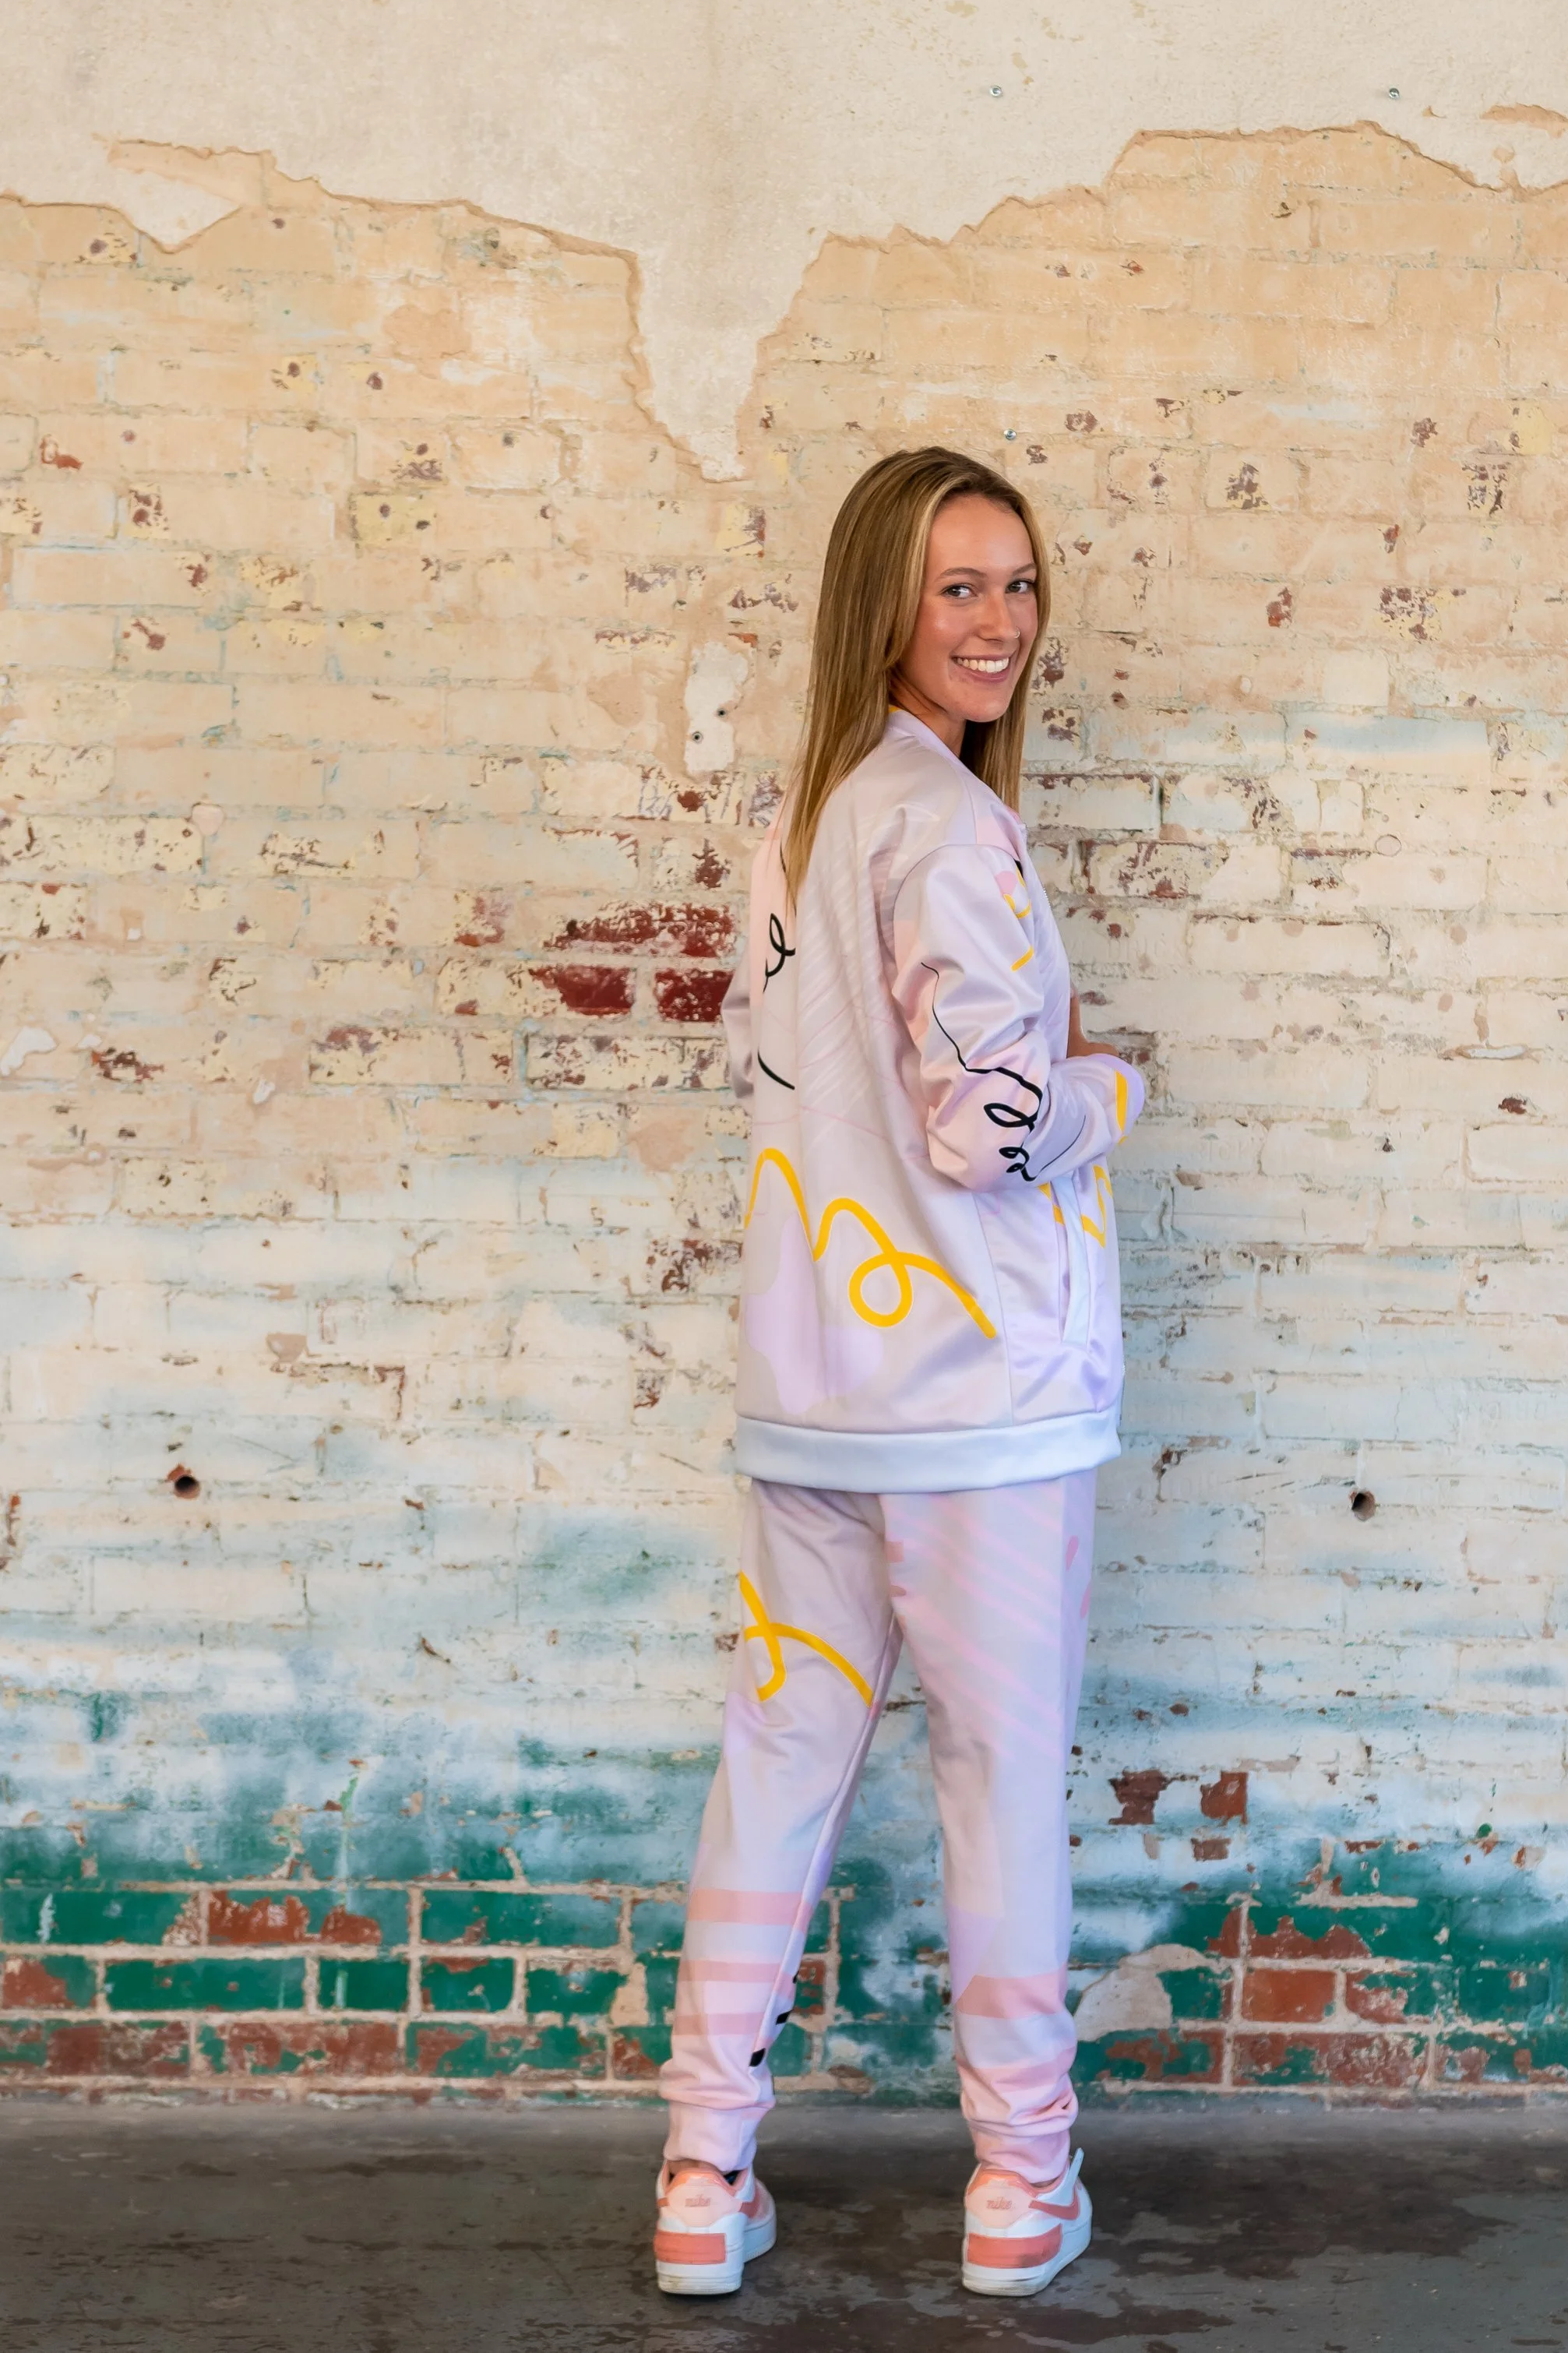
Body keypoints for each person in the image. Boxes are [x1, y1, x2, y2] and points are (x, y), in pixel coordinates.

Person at [651, 446, 1145, 2300]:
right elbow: (989, 1126)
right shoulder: (945, 827)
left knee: (775, 1767)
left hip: (814, 1400)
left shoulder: (803, 822)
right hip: (980, 1416)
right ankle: (1020, 2184)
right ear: (887, 602)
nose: (1001, 621)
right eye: (959, 587)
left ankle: (704, 2176)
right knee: (999, 1780)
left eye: (1017, 584)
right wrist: (1113, 1089)